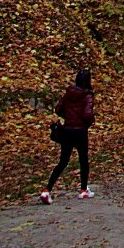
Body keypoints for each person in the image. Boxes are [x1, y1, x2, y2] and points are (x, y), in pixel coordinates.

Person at [39, 69, 95, 203]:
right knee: (83, 160)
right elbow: (87, 114)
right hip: (80, 131)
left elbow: (58, 109)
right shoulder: (87, 95)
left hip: (67, 129)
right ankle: (83, 189)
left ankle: (47, 190)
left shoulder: (68, 93)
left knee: (63, 161)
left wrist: (68, 118)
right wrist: (89, 121)